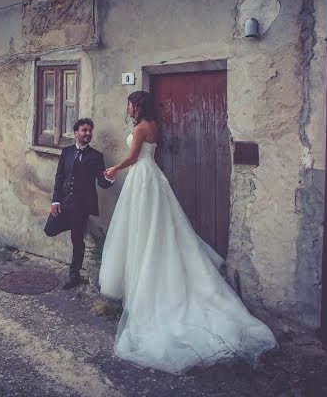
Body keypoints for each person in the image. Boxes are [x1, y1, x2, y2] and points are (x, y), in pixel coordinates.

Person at [99, 90, 277, 373]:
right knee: (156, 229)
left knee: (143, 229)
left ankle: (145, 286)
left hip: (142, 177)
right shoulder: (154, 126)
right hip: (152, 177)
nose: (128, 108)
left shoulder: (140, 127)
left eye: (130, 104)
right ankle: (144, 273)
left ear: (136, 106)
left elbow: (133, 158)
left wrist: (113, 169)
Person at [49, 118, 115, 290]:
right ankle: (68, 224)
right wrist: (55, 200)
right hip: (64, 202)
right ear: (76, 133)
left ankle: (74, 274)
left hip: (81, 206)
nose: (87, 133)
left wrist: (109, 177)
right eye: (84, 130)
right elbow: (60, 177)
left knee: (77, 240)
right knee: (50, 229)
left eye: (89, 131)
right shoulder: (67, 152)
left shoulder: (96, 156)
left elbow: (102, 182)